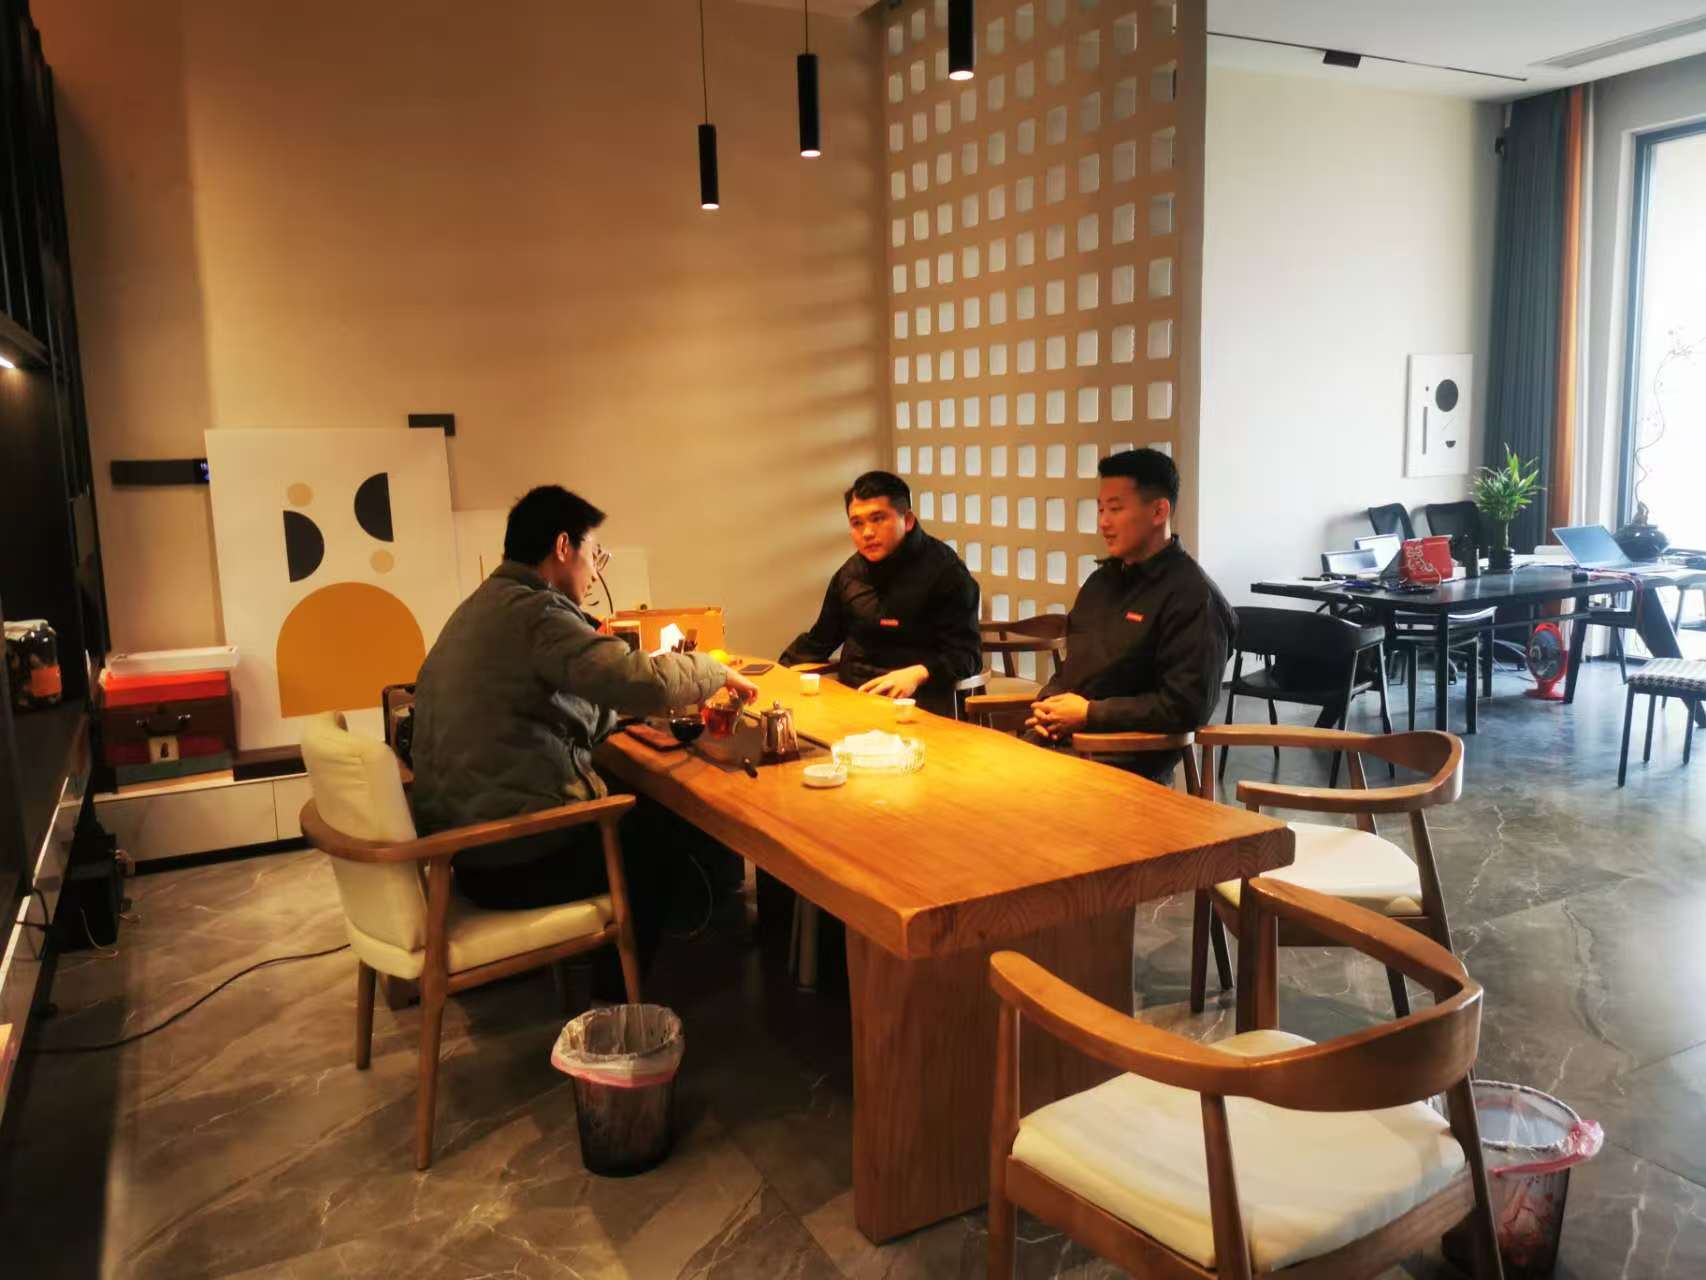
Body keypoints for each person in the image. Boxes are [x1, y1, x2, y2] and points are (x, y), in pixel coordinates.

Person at [410, 485, 759, 971]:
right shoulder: (538, 614)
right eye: (594, 554)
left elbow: (553, 703)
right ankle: (620, 994)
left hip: (461, 851)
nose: (595, 571)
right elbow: (641, 681)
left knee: (642, 802)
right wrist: (714, 670)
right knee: (665, 830)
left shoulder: (482, 606)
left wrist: (618, 711)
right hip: (512, 857)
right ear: (562, 547)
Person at [1026, 448, 1234, 781]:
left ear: (1159, 511)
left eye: (1115, 509)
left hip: (1119, 763)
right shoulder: (1100, 583)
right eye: (1100, 509)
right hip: (1059, 746)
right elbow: (1073, 669)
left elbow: (1184, 707)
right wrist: (1049, 703)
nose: (1103, 522)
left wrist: (1090, 714)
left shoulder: (1193, 596)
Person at [781, 470, 981, 717]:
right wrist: (776, 673)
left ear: (908, 520)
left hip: (919, 705)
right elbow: (819, 641)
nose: (867, 532)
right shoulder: (850, 575)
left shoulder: (946, 573)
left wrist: (918, 673)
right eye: (857, 523)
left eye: (878, 519)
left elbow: (967, 655)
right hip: (855, 700)